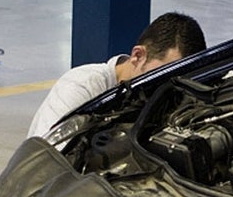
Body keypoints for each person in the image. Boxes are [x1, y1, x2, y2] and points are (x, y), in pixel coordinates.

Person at [27, 11, 206, 139]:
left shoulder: (174, 97)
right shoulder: (81, 86)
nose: (165, 91)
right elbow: (47, 160)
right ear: (138, 56)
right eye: (160, 77)